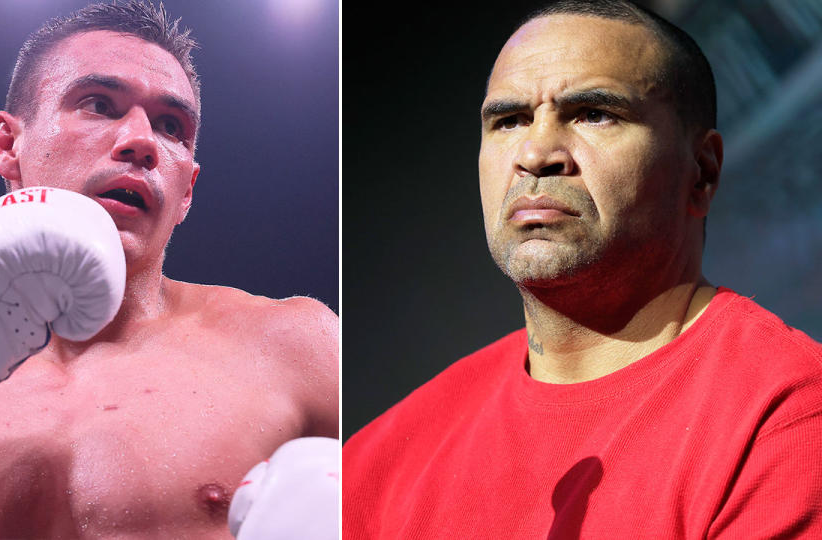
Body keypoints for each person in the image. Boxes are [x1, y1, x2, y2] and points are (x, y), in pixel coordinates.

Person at [343, 0, 822, 538]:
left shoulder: (787, 416)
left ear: (702, 172)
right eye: (508, 121)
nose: (536, 152)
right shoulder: (373, 465)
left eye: (594, 113)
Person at [0, 1, 339, 538]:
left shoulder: (297, 349)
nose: (142, 143)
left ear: (187, 193)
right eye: (99, 104)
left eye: (171, 126)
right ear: (6, 143)